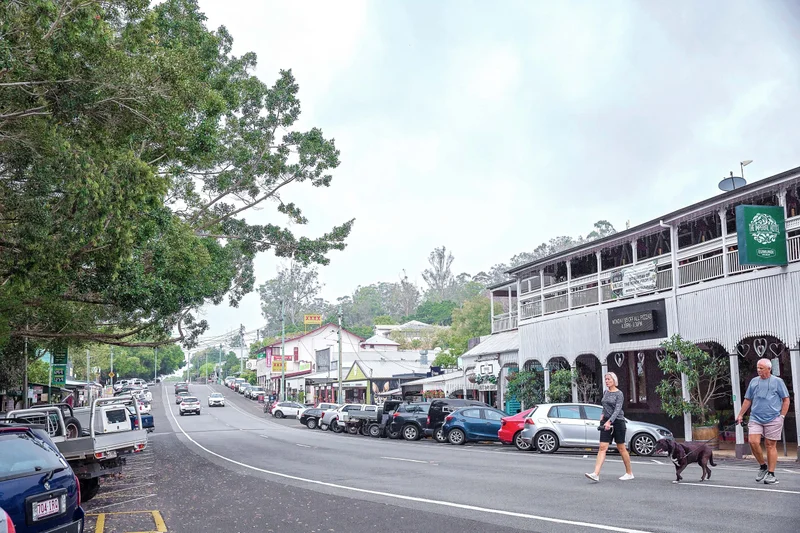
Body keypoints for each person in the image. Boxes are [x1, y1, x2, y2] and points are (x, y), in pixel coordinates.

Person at [735, 358, 790, 485]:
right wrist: (740, 415)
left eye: (761, 368)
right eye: (758, 368)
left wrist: (782, 416)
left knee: (770, 445)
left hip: (773, 418)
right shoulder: (754, 382)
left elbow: (786, 400)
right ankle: (762, 466)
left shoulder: (778, 382)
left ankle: (771, 474)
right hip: (756, 417)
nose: (758, 370)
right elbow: (748, 399)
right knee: (753, 441)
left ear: (769, 369)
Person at [585, 372, 634, 482]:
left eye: (609, 379)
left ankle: (629, 473)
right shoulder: (606, 392)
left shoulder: (619, 393)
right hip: (606, 421)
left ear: (614, 380)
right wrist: (602, 416)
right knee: (602, 447)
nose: (607, 381)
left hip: (618, 421)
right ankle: (596, 474)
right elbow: (605, 405)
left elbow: (617, 409)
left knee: (621, 448)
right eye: (606, 379)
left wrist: (610, 422)